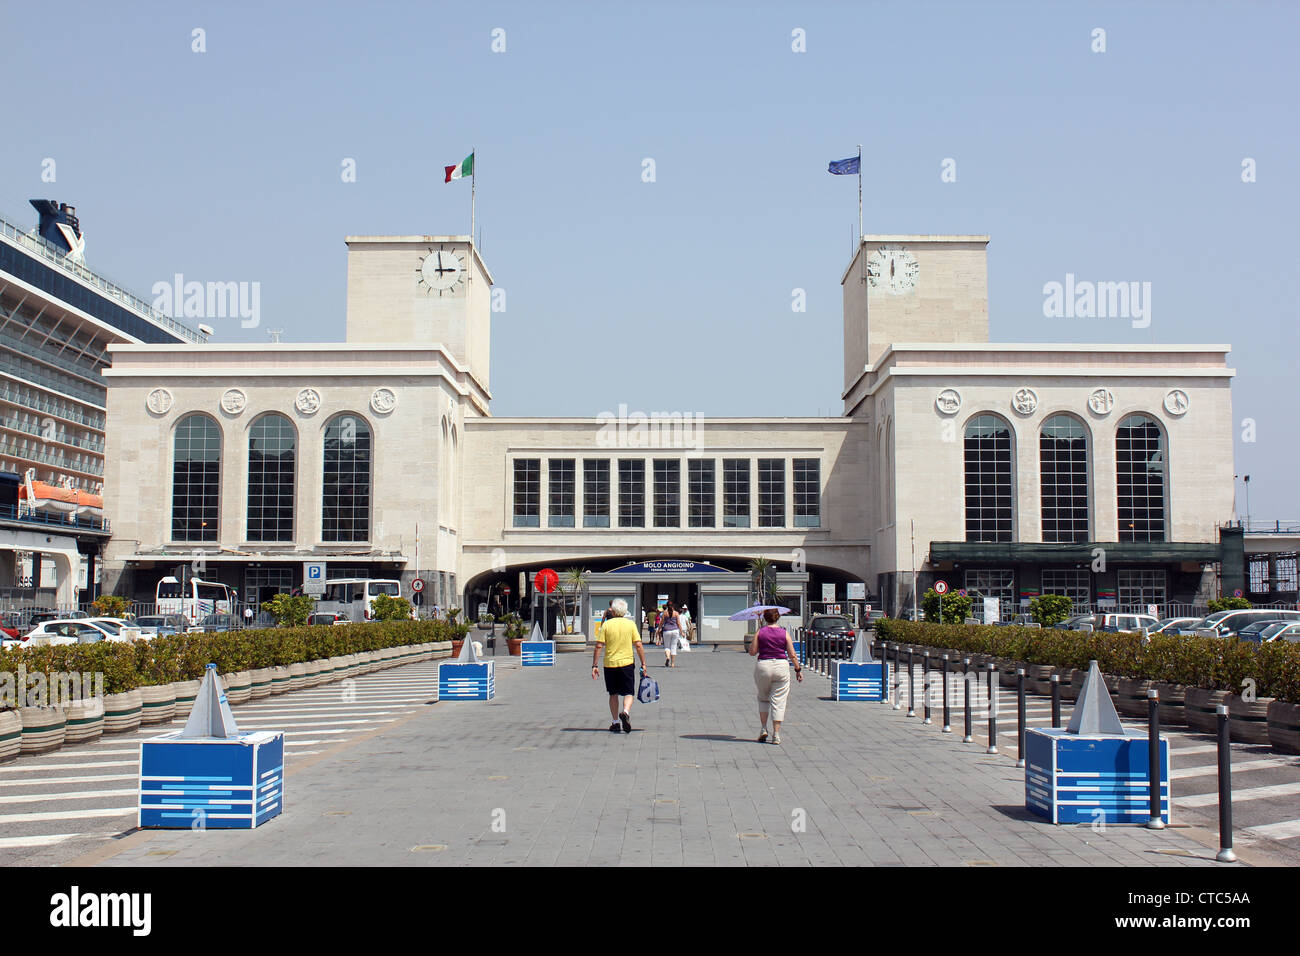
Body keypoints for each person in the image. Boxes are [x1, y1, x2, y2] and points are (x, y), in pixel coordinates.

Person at [591, 598, 647, 734]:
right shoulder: (630, 624)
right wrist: (643, 663)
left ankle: (615, 722)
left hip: (610, 663)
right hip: (627, 663)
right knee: (629, 692)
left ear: (614, 611)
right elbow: (638, 644)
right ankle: (626, 712)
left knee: (613, 693)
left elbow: (599, 645)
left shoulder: (606, 625)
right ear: (625, 611)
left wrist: (594, 665)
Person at [748, 607, 802, 745]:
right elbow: (792, 654)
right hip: (781, 666)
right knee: (779, 701)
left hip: (764, 666)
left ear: (765, 619)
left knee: (763, 698)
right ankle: (776, 734)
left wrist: (758, 636)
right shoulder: (784, 633)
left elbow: (752, 652)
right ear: (778, 618)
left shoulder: (760, 632)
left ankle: (763, 728)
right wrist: (797, 669)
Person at [660, 599, 684, 667]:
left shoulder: (665, 613)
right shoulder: (676, 613)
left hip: (666, 630)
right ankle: (672, 663)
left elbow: (661, 622)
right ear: (673, 606)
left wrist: (659, 629)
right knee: (673, 646)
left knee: (667, 646)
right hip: (675, 631)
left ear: (667, 606)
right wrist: (681, 632)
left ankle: (668, 657)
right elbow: (678, 623)